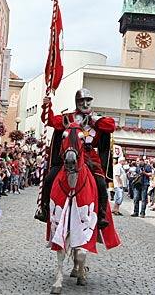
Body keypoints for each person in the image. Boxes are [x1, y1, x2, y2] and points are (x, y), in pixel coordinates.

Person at [34, 88, 115, 229]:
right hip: (67, 155)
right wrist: (47, 106)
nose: (84, 103)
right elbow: (51, 120)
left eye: (87, 100)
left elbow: (111, 126)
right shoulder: (68, 118)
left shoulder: (98, 119)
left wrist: (93, 120)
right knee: (49, 179)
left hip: (89, 156)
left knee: (101, 183)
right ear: (76, 102)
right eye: (81, 100)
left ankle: (101, 214)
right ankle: (44, 208)